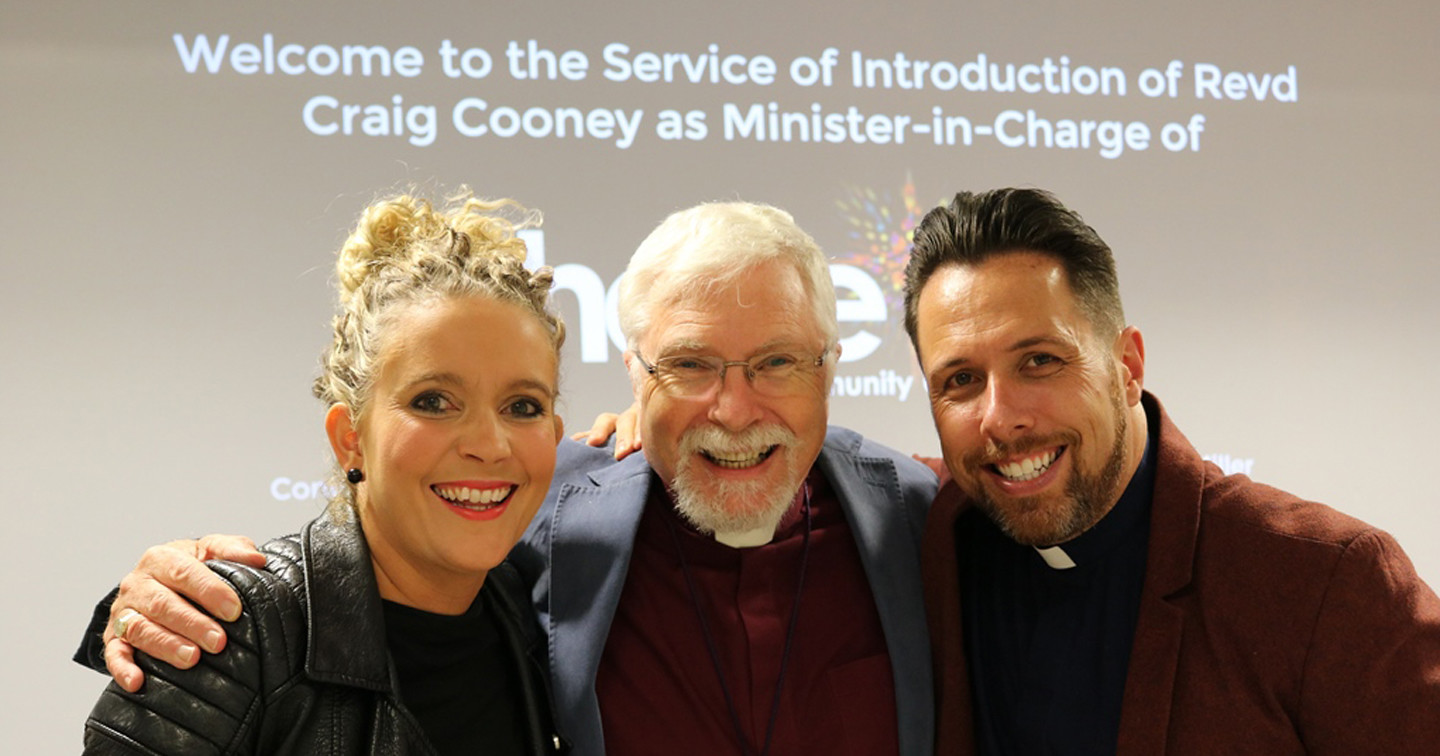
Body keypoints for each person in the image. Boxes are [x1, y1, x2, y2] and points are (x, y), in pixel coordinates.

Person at [77, 201, 937, 756]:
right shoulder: (229, 628)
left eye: (523, 407)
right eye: (691, 365)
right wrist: (148, 596)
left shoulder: (923, 512)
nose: (734, 406)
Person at [902, 187, 1440, 754]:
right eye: (960, 380)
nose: (1001, 418)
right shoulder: (928, 534)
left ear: (1128, 366)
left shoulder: (1327, 578)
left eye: (1040, 361)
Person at [78, 191, 569, 754]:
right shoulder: (229, 629)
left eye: (523, 406)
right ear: (350, 439)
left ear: (554, 434)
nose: (489, 443)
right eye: (434, 401)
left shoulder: (541, 614)